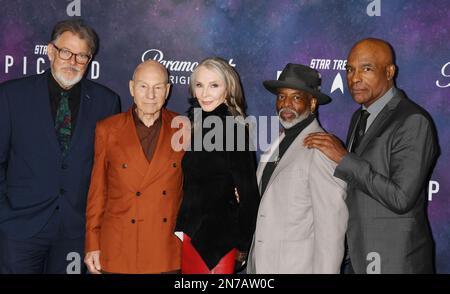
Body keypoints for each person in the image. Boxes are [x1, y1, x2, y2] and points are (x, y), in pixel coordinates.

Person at [304, 38, 439, 274]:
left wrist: (344, 158)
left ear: (389, 71)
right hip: (360, 253)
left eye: (366, 69)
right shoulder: (360, 117)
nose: (354, 78)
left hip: (395, 259)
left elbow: (401, 198)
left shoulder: (413, 120)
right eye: (350, 69)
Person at [0, 19, 121, 274]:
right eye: (66, 52)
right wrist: (5, 214)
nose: (72, 62)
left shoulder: (107, 102)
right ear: (50, 51)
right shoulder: (11, 96)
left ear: (89, 60)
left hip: (75, 231)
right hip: (20, 228)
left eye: (81, 56)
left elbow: (108, 172)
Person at [84, 60, 185, 274]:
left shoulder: (184, 128)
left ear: (167, 90)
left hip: (165, 251)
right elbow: (97, 192)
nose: (150, 95)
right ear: (131, 87)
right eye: (143, 86)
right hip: (120, 247)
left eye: (158, 87)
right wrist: (92, 243)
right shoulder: (107, 129)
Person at [246, 63, 348, 274]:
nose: (286, 104)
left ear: (312, 103)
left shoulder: (321, 149)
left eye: (296, 98)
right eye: (282, 97)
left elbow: (330, 230)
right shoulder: (279, 142)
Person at [174, 57, 260, 274]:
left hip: (218, 244)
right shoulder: (198, 125)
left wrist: (242, 245)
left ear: (228, 89)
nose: (205, 93)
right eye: (200, 85)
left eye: (214, 85)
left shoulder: (234, 130)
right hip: (192, 235)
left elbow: (249, 196)